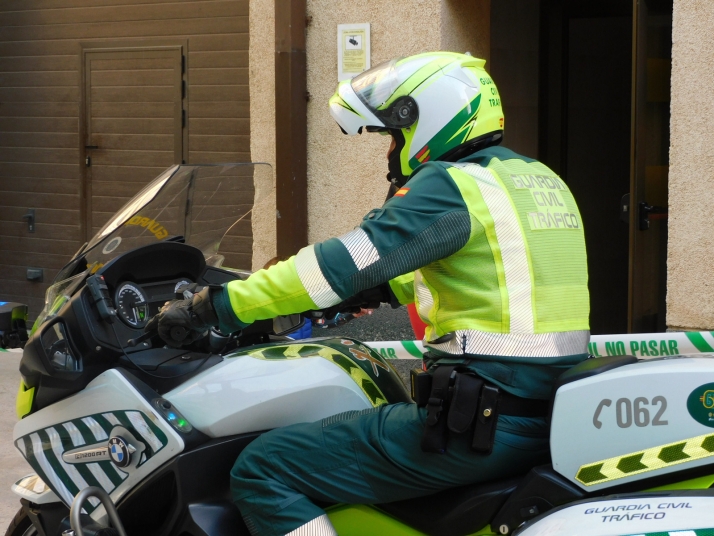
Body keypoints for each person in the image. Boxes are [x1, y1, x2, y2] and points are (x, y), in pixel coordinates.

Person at [150, 52, 590, 536]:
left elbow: (337, 265)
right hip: (545, 414)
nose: (390, 153)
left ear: (427, 118)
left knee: (264, 468)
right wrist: (360, 294)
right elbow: (474, 271)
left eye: (393, 137)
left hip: (481, 424)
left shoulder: (451, 186)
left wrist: (216, 307)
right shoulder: (538, 181)